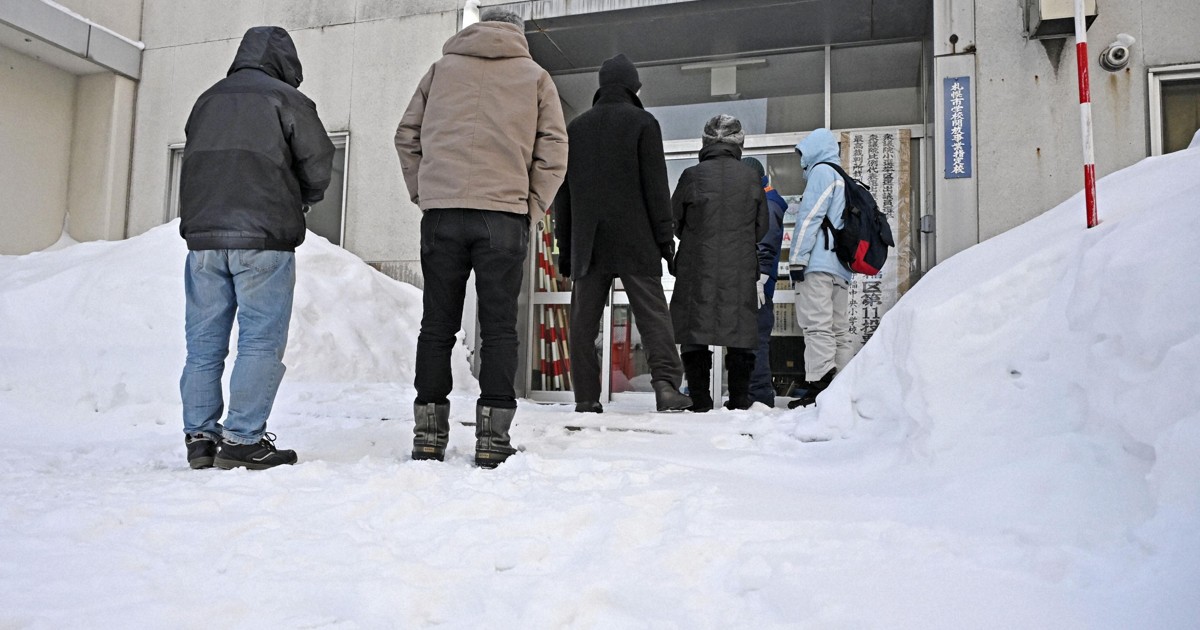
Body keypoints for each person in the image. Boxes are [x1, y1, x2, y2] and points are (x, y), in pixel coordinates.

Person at [395, 9, 568, 468]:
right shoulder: (535, 77)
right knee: (499, 328)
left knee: (436, 326)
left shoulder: (440, 70)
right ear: (518, 34)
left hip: (442, 214)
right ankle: (493, 438)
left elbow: (406, 135)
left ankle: (428, 435)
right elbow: (553, 148)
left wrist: (423, 191)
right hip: (503, 216)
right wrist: (530, 206)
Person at [179, 26, 335, 470]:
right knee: (260, 341)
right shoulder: (287, 99)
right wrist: (303, 195)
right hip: (263, 238)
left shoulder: (207, 99)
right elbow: (318, 161)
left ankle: (200, 438)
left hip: (204, 240)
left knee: (203, 344)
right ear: (286, 62)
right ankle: (243, 440)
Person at [553, 54, 692, 414]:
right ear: (633, 86)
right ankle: (665, 387)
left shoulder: (576, 129)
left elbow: (563, 196)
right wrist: (666, 242)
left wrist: (566, 251)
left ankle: (585, 397)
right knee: (652, 316)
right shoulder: (643, 123)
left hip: (589, 241)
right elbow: (656, 190)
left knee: (583, 323)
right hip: (636, 238)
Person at [670, 115, 769, 412]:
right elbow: (761, 226)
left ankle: (700, 398)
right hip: (738, 263)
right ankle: (739, 400)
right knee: (739, 330)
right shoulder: (751, 178)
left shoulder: (691, 175)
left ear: (705, 142)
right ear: (739, 143)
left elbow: (675, 221)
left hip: (696, 263)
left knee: (693, 330)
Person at [786, 128, 853, 408]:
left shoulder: (822, 173)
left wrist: (797, 258)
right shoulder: (844, 178)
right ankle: (843, 387)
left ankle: (820, 389)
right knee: (839, 329)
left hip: (817, 264)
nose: (801, 159)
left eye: (803, 152)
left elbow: (809, 217)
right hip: (841, 267)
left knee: (817, 327)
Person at [740, 157, 790, 408]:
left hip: (757, 286)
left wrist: (758, 278)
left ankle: (758, 396)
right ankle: (752, 394)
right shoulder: (762, 200)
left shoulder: (768, 203)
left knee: (755, 341)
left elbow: (765, 245)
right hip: (753, 283)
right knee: (749, 342)